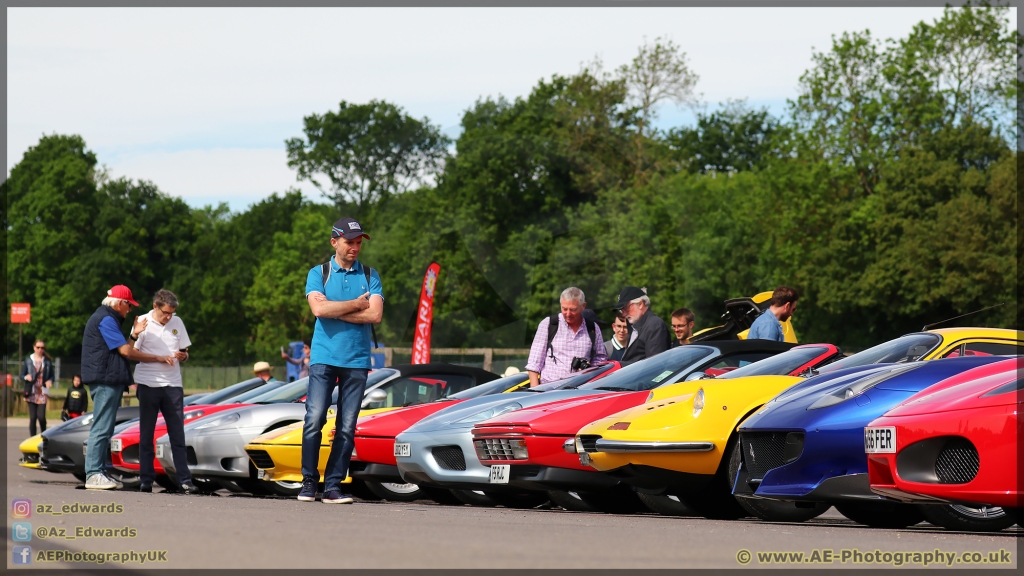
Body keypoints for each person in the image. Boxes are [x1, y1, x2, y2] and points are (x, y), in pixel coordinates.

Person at [300, 217, 384, 504]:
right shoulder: (318, 273)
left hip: (358, 359)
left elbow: (374, 315)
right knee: (314, 419)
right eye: (350, 242)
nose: (355, 247)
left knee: (347, 426)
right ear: (334, 241)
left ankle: (333, 486)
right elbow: (318, 310)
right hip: (324, 358)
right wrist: (357, 304)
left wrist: (336, 310)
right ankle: (309, 481)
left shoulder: (371, 274)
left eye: (359, 242)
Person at [81, 285, 174, 490]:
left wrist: (133, 335)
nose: (129, 310)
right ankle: (94, 474)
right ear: (120, 303)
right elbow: (126, 352)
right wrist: (157, 357)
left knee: (104, 426)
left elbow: (123, 347)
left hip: (106, 378)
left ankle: (99, 472)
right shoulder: (106, 319)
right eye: (129, 305)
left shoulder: (105, 317)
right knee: (102, 427)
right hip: (106, 380)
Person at [132, 289, 196, 494]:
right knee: (147, 433)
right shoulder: (142, 321)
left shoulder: (177, 322)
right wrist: (159, 358)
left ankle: (185, 481)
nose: (168, 317)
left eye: (171, 313)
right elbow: (131, 353)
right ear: (155, 307)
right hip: (148, 383)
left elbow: (185, 352)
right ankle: (146, 480)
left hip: (173, 384)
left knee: (178, 433)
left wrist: (182, 356)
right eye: (165, 313)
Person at [525, 287, 607, 387]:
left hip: (581, 389)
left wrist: (590, 369)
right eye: (564, 309)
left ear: (583, 306)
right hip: (550, 389)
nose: (568, 314)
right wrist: (535, 391)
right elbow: (534, 362)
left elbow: (601, 358)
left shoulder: (593, 328)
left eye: (573, 310)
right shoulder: (549, 324)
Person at [614, 286, 671, 363]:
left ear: (640, 304)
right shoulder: (634, 325)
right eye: (622, 310)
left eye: (626, 308)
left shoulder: (654, 325)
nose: (624, 314)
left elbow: (656, 365)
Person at [21, 339, 54, 436]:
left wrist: (50, 381)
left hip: (42, 392)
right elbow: (21, 375)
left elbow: (52, 376)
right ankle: (33, 438)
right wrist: (26, 377)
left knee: (41, 417)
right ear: (34, 347)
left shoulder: (47, 361)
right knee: (33, 417)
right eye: (38, 347)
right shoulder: (28, 360)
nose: (40, 349)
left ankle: (44, 436)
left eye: (42, 348)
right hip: (31, 392)